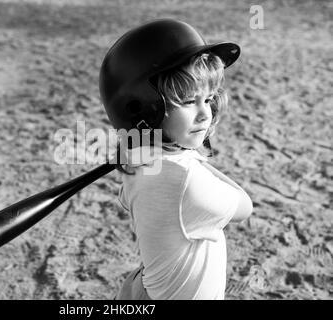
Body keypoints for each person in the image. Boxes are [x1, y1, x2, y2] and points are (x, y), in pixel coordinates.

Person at [99, 19, 253, 300]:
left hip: (142, 293)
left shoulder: (141, 163)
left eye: (207, 99)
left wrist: (149, 140)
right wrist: (192, 154)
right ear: (143, 108)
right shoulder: (186, 179)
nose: (205, 114)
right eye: (186, 101)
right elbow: (244, 206)